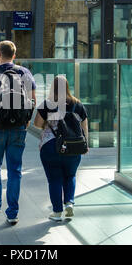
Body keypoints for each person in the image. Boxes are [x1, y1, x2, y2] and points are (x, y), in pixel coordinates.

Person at [0, 40, 36, 225]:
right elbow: (33, 100)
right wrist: (26, 120)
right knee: (15, 170)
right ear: (14, 55)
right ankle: (12, 213)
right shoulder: (25, 73)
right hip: (19, 128)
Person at [33, 75, 89, 221]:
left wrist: (49, 123)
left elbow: (37, 124)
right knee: (70, 176)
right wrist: (85, 144)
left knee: (54, 179)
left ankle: (57, 212)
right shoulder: (78, 104)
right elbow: (84, 126)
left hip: (50, 146)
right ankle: (69, 202)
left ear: (53, 87)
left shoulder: (47, 104)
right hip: (74, 147)